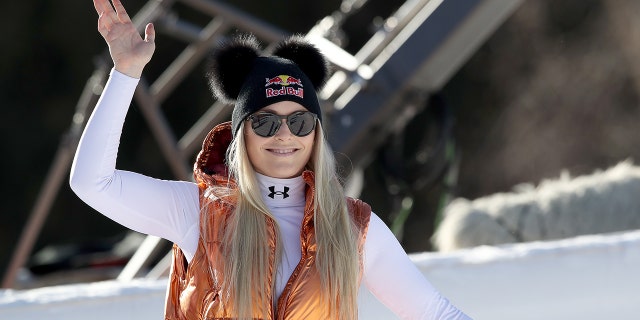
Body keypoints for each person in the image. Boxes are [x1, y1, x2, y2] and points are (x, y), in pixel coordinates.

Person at [70, 0, 473, 319]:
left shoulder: (352, 228)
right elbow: (92, 182)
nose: (284, 135)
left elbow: (435, 312)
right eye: (264, 123)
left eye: (299, 122)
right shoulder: (196, 210)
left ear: (315, 133)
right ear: (242, 132)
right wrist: (127, 72)